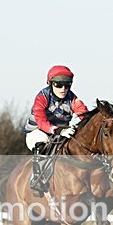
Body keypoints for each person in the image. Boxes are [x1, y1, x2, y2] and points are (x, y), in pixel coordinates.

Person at [24, 65, 89, 195]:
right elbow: (41, 121)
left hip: (60, 133)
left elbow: (84, 115)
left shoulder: (73, 99)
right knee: (42, 143)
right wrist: (57, 130)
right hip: (38, 131)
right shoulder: (42, 97)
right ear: (50, 84)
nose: (63, 89)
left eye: (67, 85)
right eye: (58, 84)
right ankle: (37, 179)